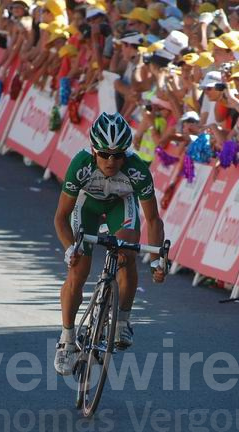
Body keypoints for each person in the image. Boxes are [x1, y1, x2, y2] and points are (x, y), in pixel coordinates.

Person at [53, 113, 167, 376]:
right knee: (78, 270)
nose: (111, 161)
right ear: (94, 150)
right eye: (104, 154)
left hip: (120, 204)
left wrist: (158, 260)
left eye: (118, 155)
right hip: (88, 206)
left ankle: (122, 321)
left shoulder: (137, 170)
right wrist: (70, 247)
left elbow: (152, 219)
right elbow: (60, 217)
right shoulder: (80, 164)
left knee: (127, 253)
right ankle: (67, 339)